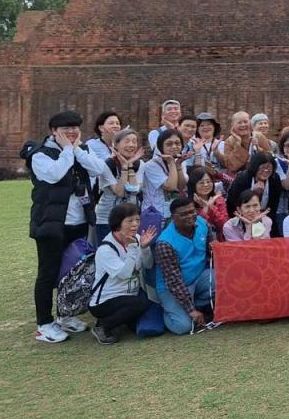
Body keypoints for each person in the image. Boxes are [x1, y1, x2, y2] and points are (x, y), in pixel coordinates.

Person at [27, 110, 108, 342]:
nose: (72, 132)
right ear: (54, 132)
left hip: (78, 221)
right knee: (48, 272)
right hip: (51, 224)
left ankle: (66, 315)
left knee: (72, 272)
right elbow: (54, 175)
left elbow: (99, 169)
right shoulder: (40, 154)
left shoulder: (80, 150)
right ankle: (44, 323)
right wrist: (69, 151)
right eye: (66, 129)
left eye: (75, 128)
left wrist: (76, 150)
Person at [88, 203, 156, 344]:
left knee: (149, 305)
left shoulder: (137, 238)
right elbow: (124, 274)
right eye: (129, 221)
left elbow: (148, 264)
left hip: (128, 295)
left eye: (137, 220)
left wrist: (144, 248)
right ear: (118, 223)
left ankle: (119, 322)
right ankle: (103, 326)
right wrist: (133, 248)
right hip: (104, 301)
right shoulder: (106, 249)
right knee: (140, 304)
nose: (135, 224)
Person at [153, 196, 214, 335]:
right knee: (183, 327)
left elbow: (212, 251)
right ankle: (165, 309)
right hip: (173, 287)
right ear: (173, 218)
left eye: (192, 211)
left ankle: (196, 303)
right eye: (184, 214)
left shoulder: (202, 223)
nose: (190, 216)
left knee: (226, 281)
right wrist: (190, 310)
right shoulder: (165, 243)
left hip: (199, 278)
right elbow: (174, 281)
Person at [95, 127, 144, 243]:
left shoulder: (140, 164)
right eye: (126, 141)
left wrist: (130, 165)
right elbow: (120, 192)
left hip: (130, 217)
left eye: (134, 141)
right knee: (107, 251)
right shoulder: (107, 164)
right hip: (107, 217)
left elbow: (135, 189)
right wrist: (125, 168)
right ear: (115, 145)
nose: (131, 145)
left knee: (129, 251)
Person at [227, 151, 283, 237]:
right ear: (255, 167)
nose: (266, 170)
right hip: (242, 218)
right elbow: (233, 202)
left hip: (265, 218)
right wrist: (254, 193)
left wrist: (263, 219)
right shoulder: (242, 179)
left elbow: (273, 206)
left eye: (269, 168)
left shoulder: (275, 179)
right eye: (262, 167)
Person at [142, 128, 187, 220]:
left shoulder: (180, 162)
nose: (174, 146)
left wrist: (177, 165)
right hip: (154, 214)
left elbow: (181, 186)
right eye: (169, 144)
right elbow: (170, 186)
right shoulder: (151, 165)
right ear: (161, 146)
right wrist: (171, 163)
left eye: (177, 143)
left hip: (174, 213)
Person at [218, 111, 271, 180]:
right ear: (233, 125)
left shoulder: (259, 136)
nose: (243, 125)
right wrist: (238, 144)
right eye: (239, 123)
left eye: (245, 122)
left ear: (250, 123)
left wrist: (257, 148)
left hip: (260, 176)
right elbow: (232, 166)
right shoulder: (229, 142)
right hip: (239, 178)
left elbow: (270, 157)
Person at [187, 166, 228, 242]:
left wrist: (210, 207)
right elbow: (195, 228)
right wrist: (205, 209)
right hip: (196, 241)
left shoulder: (218, 200)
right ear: (193, 185)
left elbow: (224, 225)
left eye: (208, 182)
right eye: (201, 182)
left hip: (217, 241)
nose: (206, 185)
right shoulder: (188, 204)